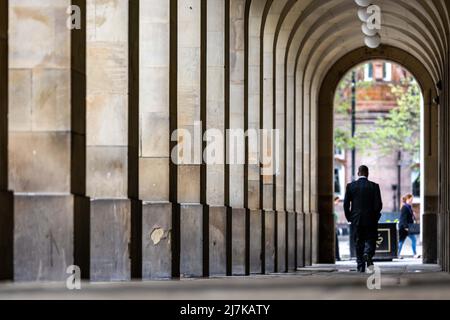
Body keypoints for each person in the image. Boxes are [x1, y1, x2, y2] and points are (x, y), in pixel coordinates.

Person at [344, 165, 383, 273]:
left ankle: (360, 265)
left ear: (358, 173)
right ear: (367, 173)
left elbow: (346, 204)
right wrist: (375, 216)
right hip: (370, 219)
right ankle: (368, 253)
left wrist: (350, 217)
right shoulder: (374, 186)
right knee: (371, 239)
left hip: (356, 219)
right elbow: (378, 204)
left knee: (358, 241)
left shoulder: (351, 186)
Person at [398, 194, 420, 258]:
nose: (411, 201)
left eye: (412, 200)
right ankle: (397, 254)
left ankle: (414, 254)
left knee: (413, 240)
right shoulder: (405, 207)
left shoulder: (408, 207)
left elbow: (409, 217)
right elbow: (403, 218)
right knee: (401, 241)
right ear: (407, 199)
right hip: (404, 227)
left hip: (408, 227)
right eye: (410, 200)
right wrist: (406, 227)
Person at [334, 196, 341, 261]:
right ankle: (337, 257)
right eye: (337, 201)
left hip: (335, 228)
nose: (338, 203)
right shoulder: (332, 209)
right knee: (335, 243)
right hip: (333, 228)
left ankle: (337, 257)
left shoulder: (333, 209)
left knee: (336, 243)